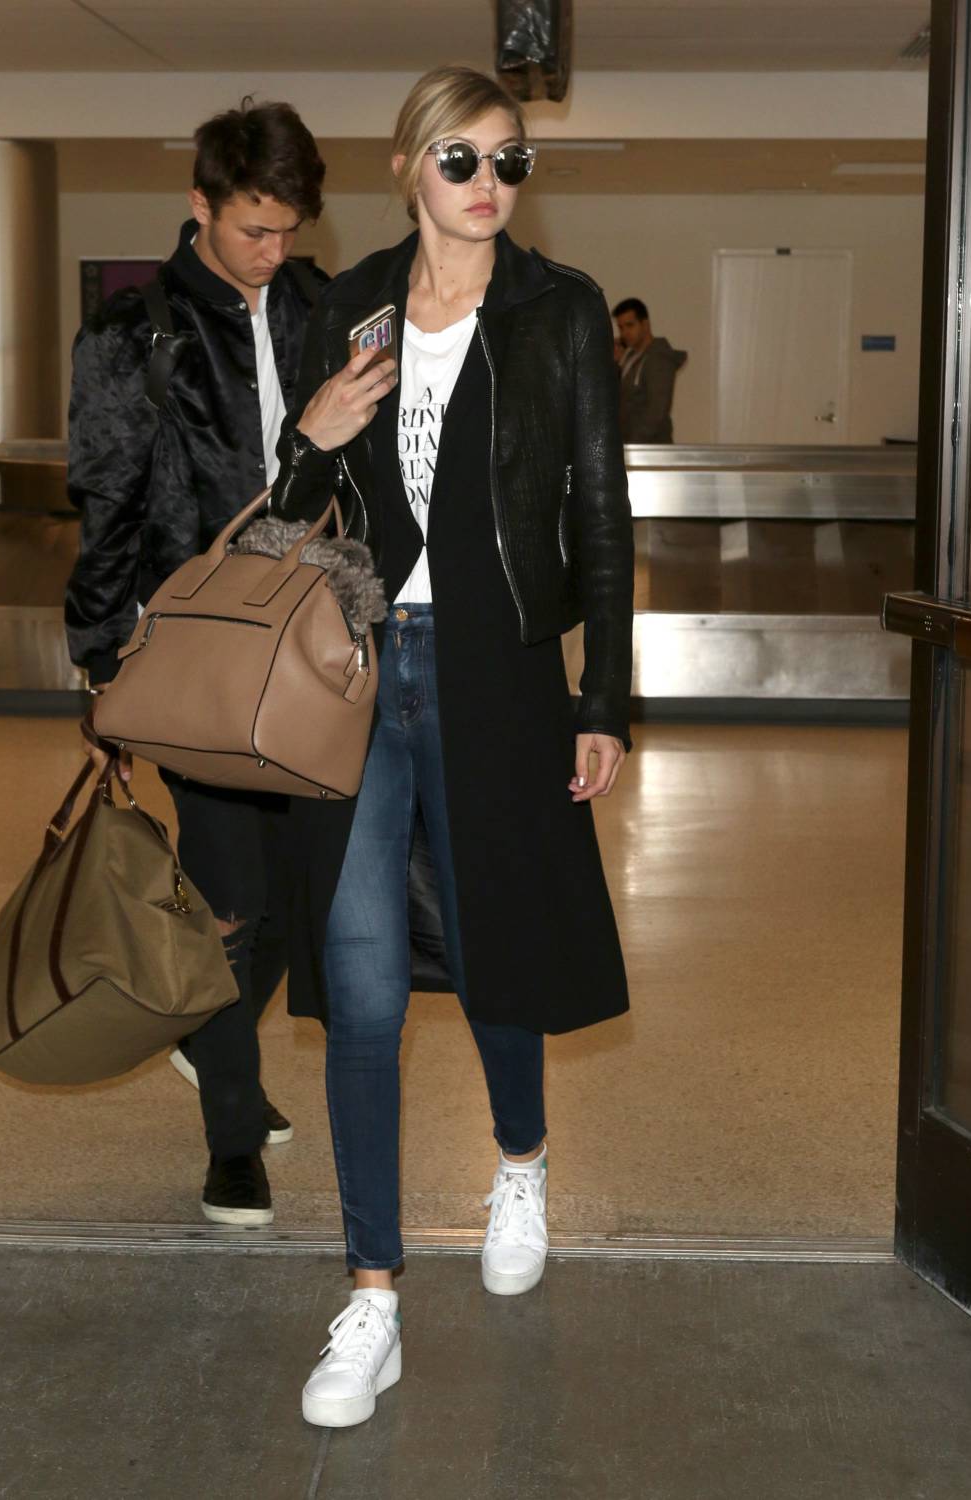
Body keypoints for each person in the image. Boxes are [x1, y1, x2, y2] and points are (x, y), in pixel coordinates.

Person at [270, 64, 634, 1428]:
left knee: (497, 947)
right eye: (464, 160)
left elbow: (601, 514)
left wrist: (605, 699)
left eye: (511, 161)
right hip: (363, 673)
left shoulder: (557, 310)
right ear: (410, 167)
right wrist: (309, 436)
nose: (491, 186)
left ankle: (521, 1159)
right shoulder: (349, 308)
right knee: (361, 982)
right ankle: (372, 1299)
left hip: (503, 673)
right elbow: (289, 515)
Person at [64, 100, 328, 1228]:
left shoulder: (323, 307)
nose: (272, 251)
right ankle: (232, 1143)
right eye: (253, 230)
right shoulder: (135, 332)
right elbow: (107, 501)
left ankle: (206, 1035)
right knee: (231, 900)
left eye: (288, 230)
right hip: (193, 654)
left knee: (308, 901)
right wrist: (97, 657)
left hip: (312, 647)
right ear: (200, 206)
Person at [612, 297, 687, 443]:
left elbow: (656, 412)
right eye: (621, 328)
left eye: (630, 325)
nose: (625, 333)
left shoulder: (658, 359)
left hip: (648, 449)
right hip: (634, 447)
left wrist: (632, 445)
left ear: (645, 324)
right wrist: (615, 364)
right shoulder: (631, 357)